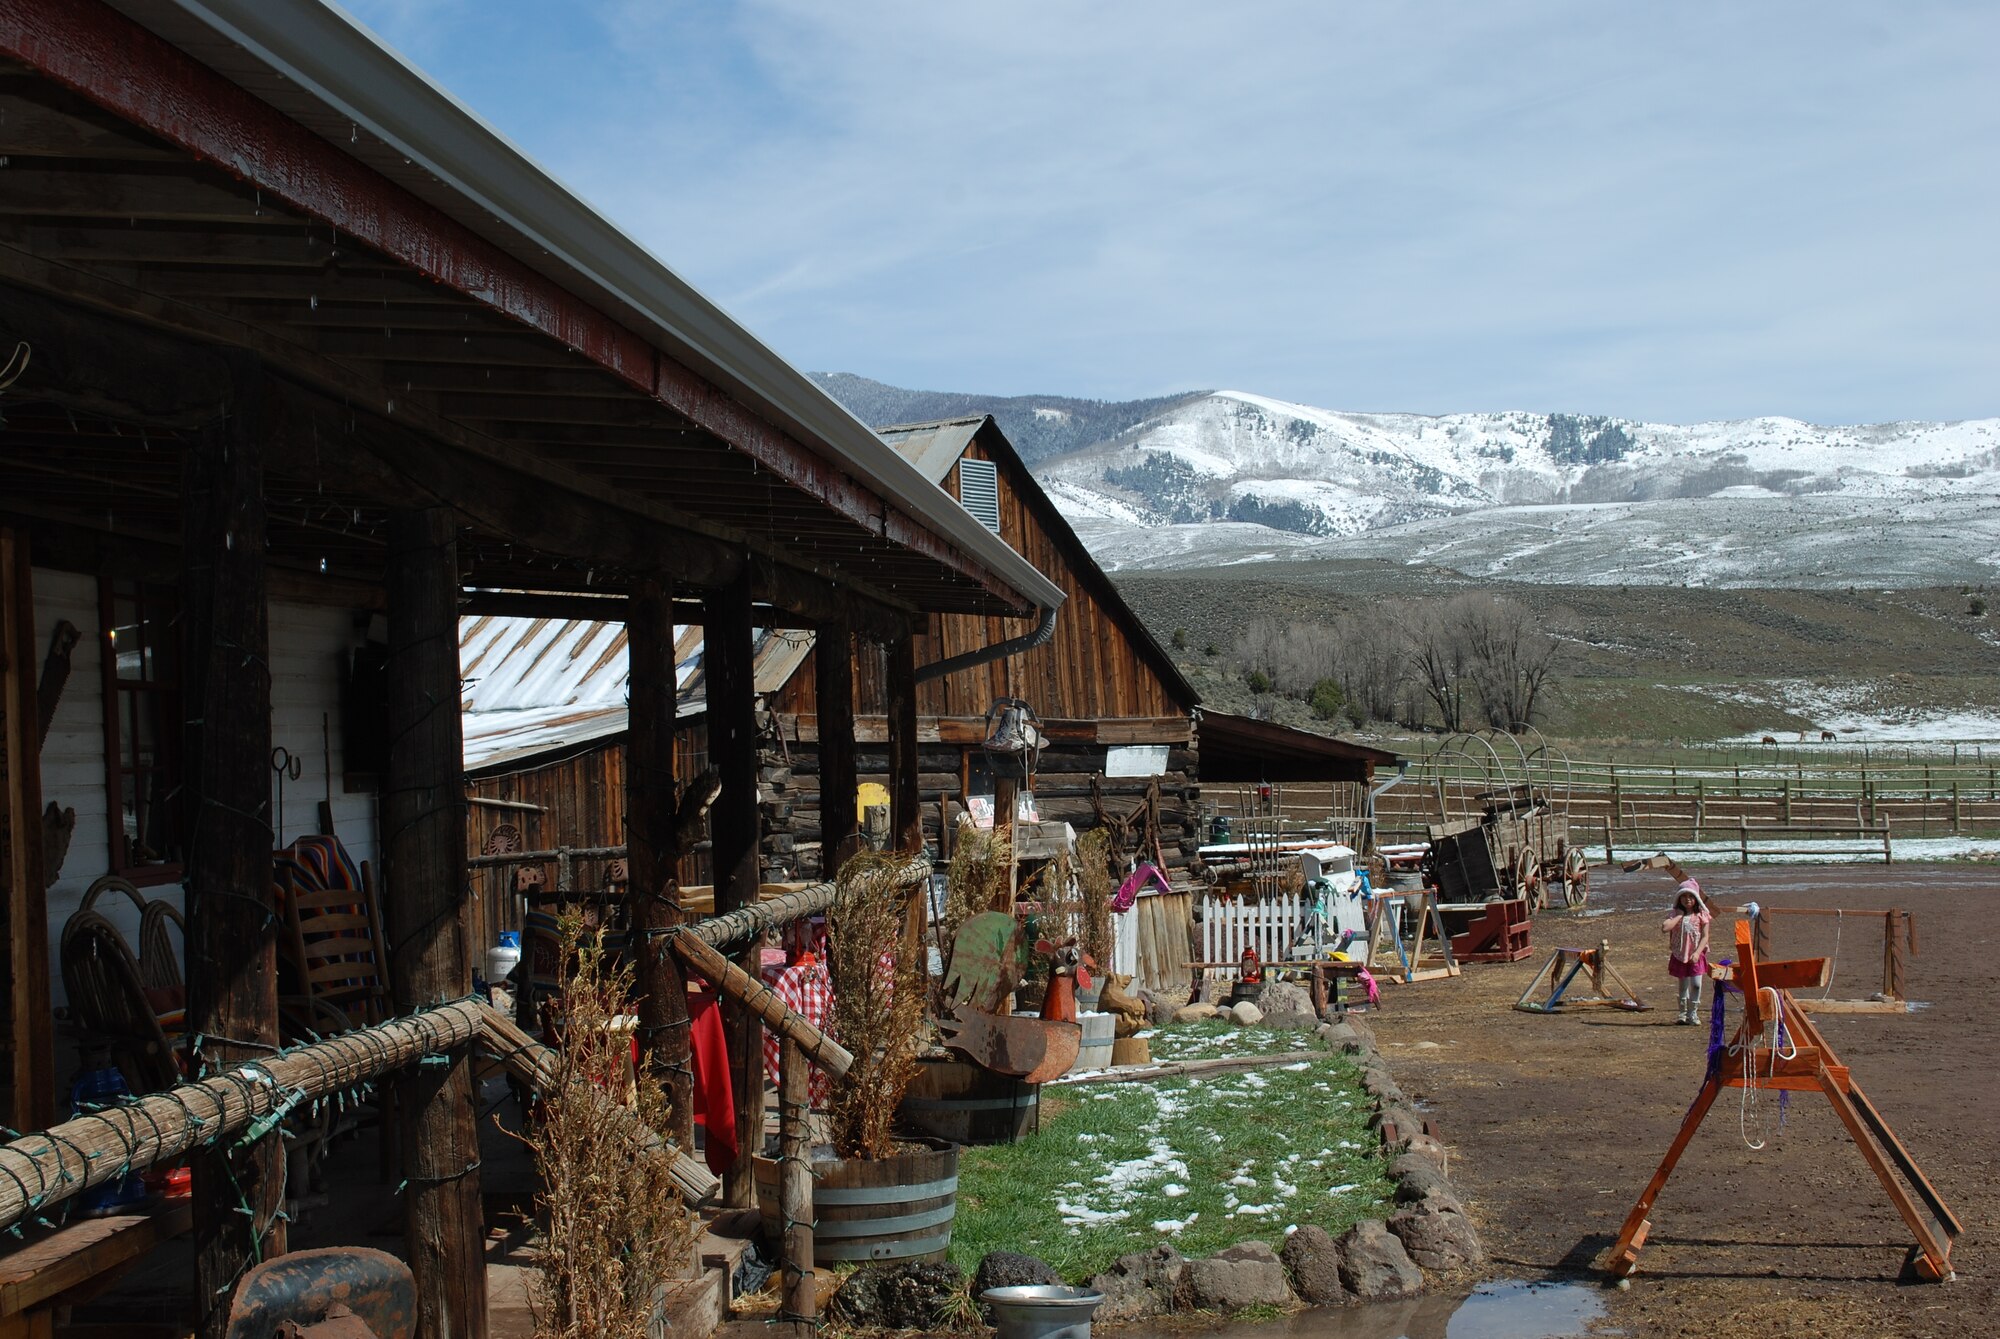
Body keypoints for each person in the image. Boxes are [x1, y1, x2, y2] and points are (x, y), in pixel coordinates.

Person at [1662, 879, 1711, 1024]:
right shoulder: (1675, 915)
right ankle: (1682, 1014)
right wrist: (1678, 915)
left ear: (1696, 899)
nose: (1687, 899)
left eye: (1690, 896)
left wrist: (1697, 953)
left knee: (1696, 984)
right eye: (1684, 896)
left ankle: (1693, 1013)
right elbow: (1665, 928)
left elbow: (1705, 936)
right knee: (1683, 984)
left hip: (1696, 954)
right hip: (1680, 954)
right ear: (1679, 898)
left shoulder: (1702, 914)